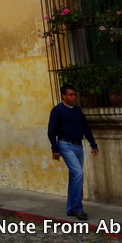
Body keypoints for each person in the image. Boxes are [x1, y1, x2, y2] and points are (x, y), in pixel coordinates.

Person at [47, 84, 99, 220]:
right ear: (63, 96)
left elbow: (86, 128)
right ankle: (78, 208)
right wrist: (55, 149)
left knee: (74, 176)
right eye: (70, 95)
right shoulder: (58, 110)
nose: (73, 97)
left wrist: (93, 144)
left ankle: (71, 208)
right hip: (65, 145)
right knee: (78, 173)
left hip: (78, 146)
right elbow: (51, 130)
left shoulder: (78, 110)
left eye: (75, 95)